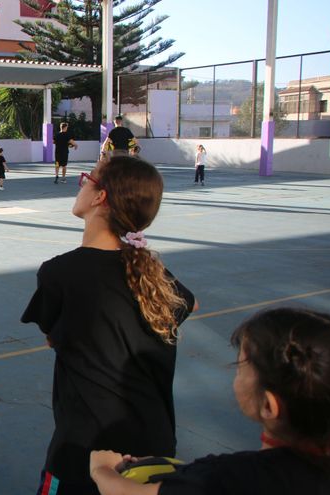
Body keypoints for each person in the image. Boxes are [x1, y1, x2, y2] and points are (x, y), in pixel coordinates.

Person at [21, 155, 198, 494]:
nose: (82, 184)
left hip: (87, 452)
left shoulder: (60, 273)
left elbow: (53, 333)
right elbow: (190, 301)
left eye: (87, 179)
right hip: (154, 448)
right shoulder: (150, 273)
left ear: (100, 197)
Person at [90, 306, 330, 495]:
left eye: (241, 367)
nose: (236, 373)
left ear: (269, 406)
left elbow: (128, 493)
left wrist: (101, 468)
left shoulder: (228, 477)